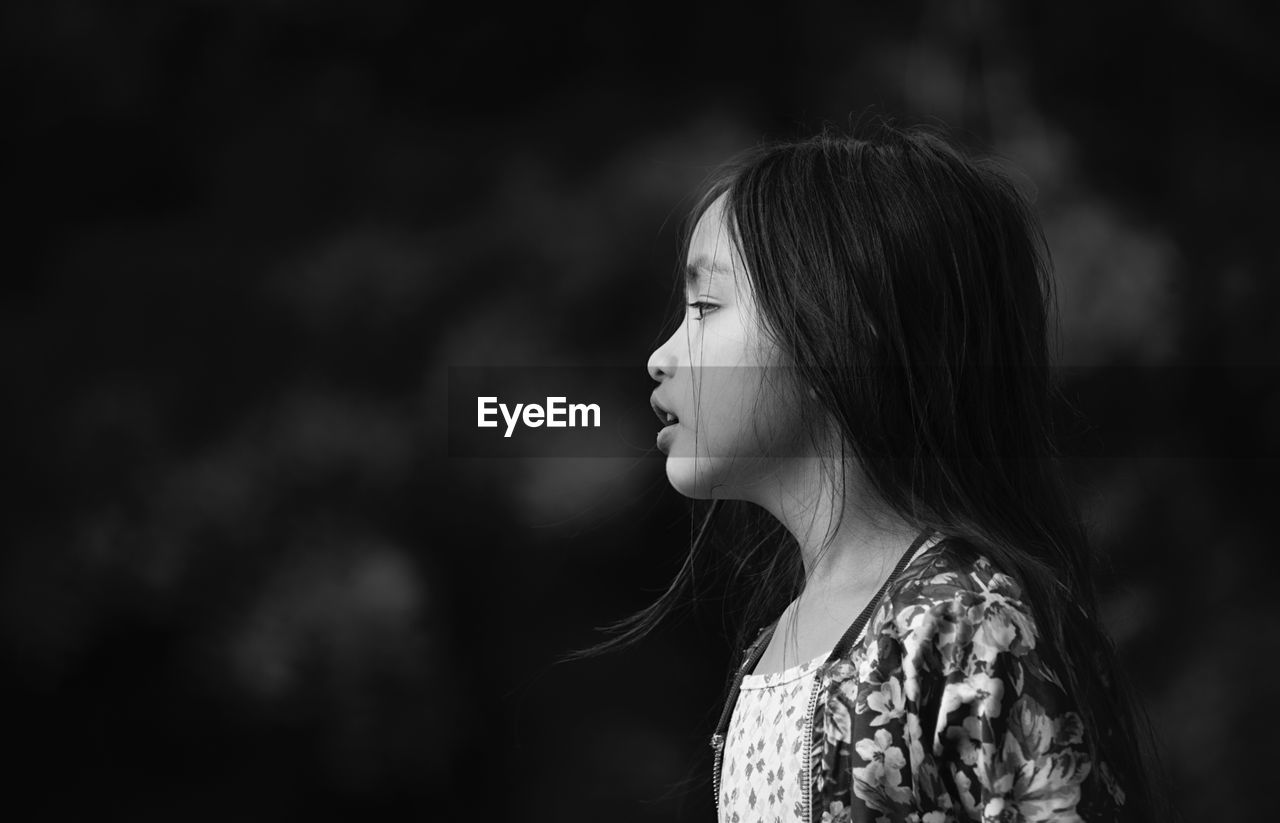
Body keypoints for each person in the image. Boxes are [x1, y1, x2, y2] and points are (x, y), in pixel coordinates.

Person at [584, 124, 1161, 822]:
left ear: (843, 331)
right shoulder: (784, 635)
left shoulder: (966, 622)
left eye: (706, 307)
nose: (661, 354)